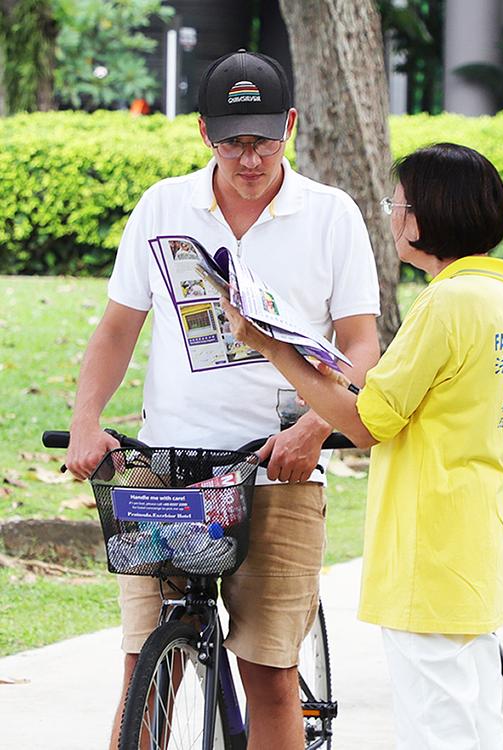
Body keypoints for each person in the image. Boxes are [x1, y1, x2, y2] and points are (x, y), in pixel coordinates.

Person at [65, 50, 381, 748]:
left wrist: (313, 430)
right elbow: (117, 329)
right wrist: (86, 420)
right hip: (165, 468)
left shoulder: (331, 215)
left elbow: (363, 344)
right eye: (232, 141)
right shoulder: (163, 206)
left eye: (264, 139)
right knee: (146, 669)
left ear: (290, 126)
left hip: (277, 468)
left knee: (269, 674)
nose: (250, 158)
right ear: (204, 132)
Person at [223, 142, 503, 749]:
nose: (391, 216)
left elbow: (368, 421)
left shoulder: (446, 304)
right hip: (477, 540)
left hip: (431, 545)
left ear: (424, 217)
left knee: (436, 729)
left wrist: (272, 347)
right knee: (474, 722)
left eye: (397, 204)